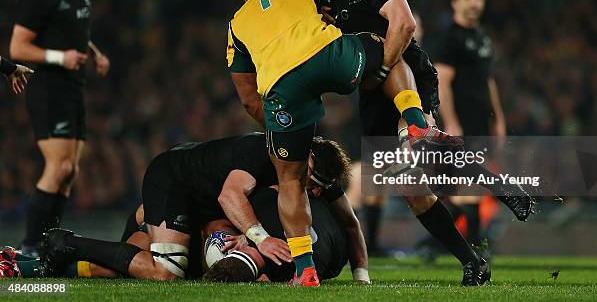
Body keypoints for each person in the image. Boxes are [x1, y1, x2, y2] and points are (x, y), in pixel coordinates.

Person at [228, 0, 471, 286]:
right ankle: (415, 123)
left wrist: (282, 131)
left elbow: (248, 99)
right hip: (327, 57)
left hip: (281, 88)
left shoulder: (236, 25)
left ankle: (305, 270)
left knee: (290, 180)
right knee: (389, 51)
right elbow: (330, 11)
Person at [298, 0, 491, 285]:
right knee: (408, 187)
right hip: (373, 91)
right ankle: (473, 261)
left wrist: (384, 70)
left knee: (421, 148)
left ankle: (501, 188)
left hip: (406, 75)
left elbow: (404, 25)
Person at [38, 133, 365, 282]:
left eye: (323, 187)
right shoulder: (263, 153)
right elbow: (229, 196)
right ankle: (65, 243)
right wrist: (260, 237)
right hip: (174, 180)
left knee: (140, 250)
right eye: (315, 183)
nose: (317, 193)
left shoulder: (313, 173)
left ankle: (36, 267)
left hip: (201, 201)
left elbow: (350, 223)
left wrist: (361, 275)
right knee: (166, 272)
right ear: (306, 161)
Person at [9, 0, 110, 257]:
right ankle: (29, 247)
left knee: (70, 172)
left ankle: (49, 244)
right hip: (48, 89)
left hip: (73, 89)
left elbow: (75, 33)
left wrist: (94, 53)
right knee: (57, 168)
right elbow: (17, 47)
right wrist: (59, 57)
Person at [427, 0, 507, 247]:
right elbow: (443, 82)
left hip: (480, 121)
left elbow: (488, 80)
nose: (474, 3)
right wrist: (450, 122)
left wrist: (498, 119)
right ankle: (473, 246)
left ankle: (439, 243)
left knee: (465, 188)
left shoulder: (482, 37)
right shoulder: (450, 39)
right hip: (461, 121)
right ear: (455, 3)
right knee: (468, 185)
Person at [205, 186, 348, 283]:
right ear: (237, 250)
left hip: (334, 258)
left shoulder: (281, 273)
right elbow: (277, 188)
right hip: (334, 234)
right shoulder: (259, 204)